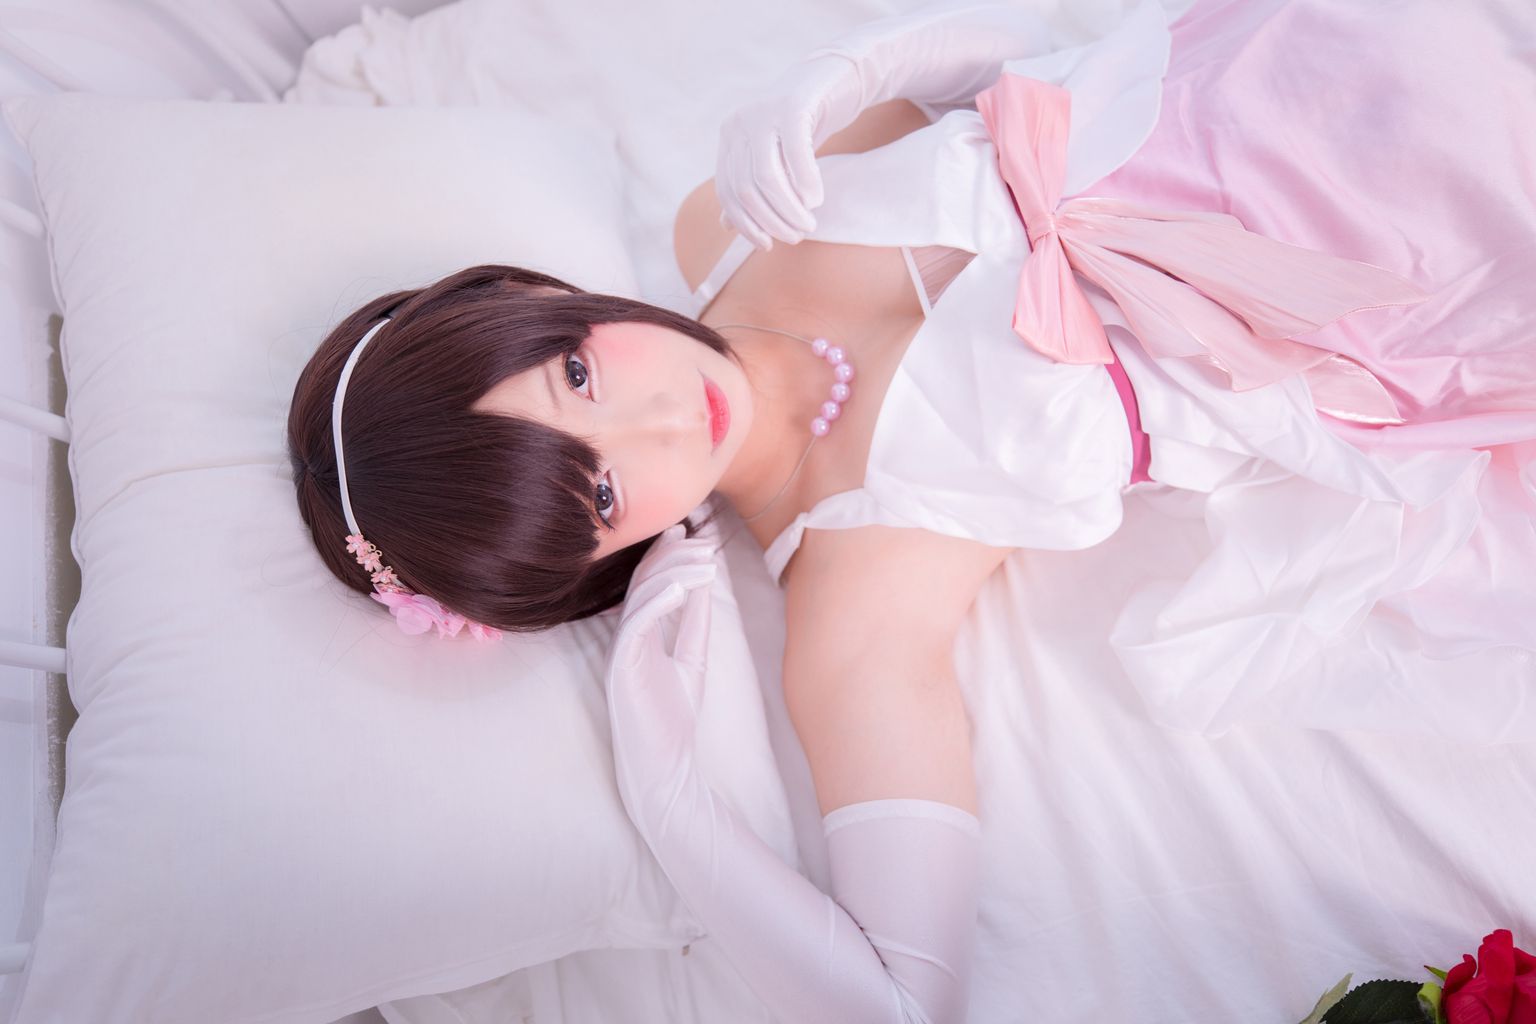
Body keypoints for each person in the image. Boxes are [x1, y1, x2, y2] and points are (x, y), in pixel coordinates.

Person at [287, 0, 1536, 1019]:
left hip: (1308, 54)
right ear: (597, 563)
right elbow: (899, 1000)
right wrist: (670, 794)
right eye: (604, 491)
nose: (664, 418)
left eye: (576, 375)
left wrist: (858, 66)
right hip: (1428, 274)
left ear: (537, 305)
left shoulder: (722, 222)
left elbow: (1023, 56)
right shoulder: (852, 597)